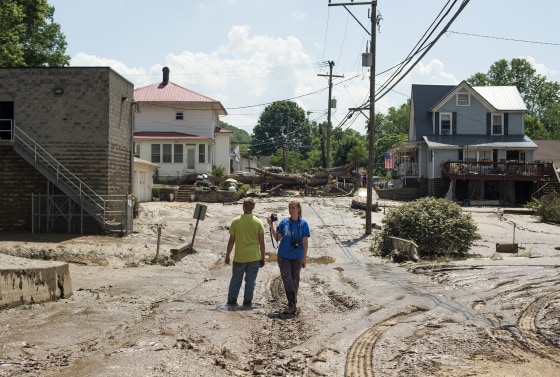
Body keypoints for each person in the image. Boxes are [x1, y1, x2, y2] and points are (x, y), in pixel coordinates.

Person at [267, 200, 310, 314]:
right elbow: (277, 238)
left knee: (295, 280)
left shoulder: (304, 224)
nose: (291, 210)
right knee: (287, 280)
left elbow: (305, 242)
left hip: (297, 257)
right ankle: (292, 304)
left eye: (293, 208)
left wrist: (304, 258)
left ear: (298, 209)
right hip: (283, 256)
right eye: (290, 208)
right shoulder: (284, 222)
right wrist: (271, 226)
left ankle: (293, 302)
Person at [225, 198, 266, 307]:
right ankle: (247, 302)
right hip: (254, 257)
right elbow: (262, 242)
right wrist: (263, 258)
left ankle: (232, 301)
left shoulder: (235, 221)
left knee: (236, 280)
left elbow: (231, 241)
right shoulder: (258, 222)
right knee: (250, 281)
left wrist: (227, 256)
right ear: (253, 208)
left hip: (239, 257)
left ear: (243, 207)